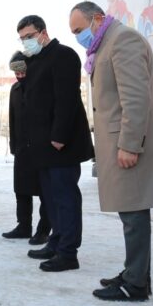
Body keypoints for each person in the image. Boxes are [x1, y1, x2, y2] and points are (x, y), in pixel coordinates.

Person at [69, 1, 153, 301]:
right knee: (131, 211)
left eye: (79, 30)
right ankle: (135, 273)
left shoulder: (122, 40)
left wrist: (130, 144)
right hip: (119, 143)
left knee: (133, 213)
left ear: (97, 19)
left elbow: (135, 98)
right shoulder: (107, 43)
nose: (78, 37)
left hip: (128, 144)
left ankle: (136, 284)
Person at [16, 15, 94, 272]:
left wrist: (59, 136)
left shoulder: (64, 55)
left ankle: (68, 252)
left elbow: (66, 100)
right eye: (22, 38)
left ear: (42, 32)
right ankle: (56, 241)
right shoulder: (35, 62)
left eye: (29, 36)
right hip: (41, 146)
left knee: (65, 198)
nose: (26, 41)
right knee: (50, 198)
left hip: (61, 144)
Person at [5, 52, 50, 245]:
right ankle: (23, 226)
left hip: (42, 148)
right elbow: (13, 118)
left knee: (44, 191)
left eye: (23, 71)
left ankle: (43, 230)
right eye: (16, 72)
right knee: (21, 190)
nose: (20, 76)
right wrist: (13, 145)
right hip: (22, 149)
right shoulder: (15, 89)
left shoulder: (41, 87)